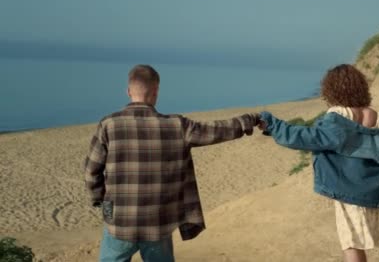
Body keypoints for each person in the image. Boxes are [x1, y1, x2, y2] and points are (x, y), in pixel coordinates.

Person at [259, 64, 379, 262]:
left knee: (350, 244)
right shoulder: (376, 117)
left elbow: (308, 137)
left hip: (349, 191)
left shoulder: (338, 118)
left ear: (332, 90)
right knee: (356, 243)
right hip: (371, 189)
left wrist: (272, 124)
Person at [84, 64, 259, 262]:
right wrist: (250, 120)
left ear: (128, 91)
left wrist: (103, 204)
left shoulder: (109, 124)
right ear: (156, 92)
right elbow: (218, 130)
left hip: (119, 222)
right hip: (158, 224)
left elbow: (91, 172)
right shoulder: (178, 126)